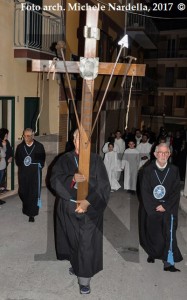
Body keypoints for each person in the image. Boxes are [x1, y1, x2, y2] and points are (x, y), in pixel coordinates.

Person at [50, 129, 110, 294]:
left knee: (85, 243)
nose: (82, 144)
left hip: (90, 209)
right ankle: (75, 264)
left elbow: (104, 186)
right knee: (72, 240)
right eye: (78, 140)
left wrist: (87, 202)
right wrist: (72, 180)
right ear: (74, 140)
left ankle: (84, 279)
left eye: (86, 141)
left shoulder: (96, 160)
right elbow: (54, 180)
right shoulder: (64, 159)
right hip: (68, 207)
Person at [138, 143, 183, 272]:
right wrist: (155, 206)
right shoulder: (147, 170)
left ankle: (168, 262)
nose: (163, 155)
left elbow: (175, 191)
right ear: (155, 154)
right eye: (160, 152)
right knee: (153, 234)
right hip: (151, 208)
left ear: (169, 154)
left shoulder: (174, 170)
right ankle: (152, 253)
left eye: (166, 153)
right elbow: (144, 191)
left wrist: (166, 206)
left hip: (168, 208)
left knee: (169, 234)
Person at [15, 128, 46, 222]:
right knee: (23, 192)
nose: (26, 138)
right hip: (23, 174)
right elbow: (17, 159)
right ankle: (26, 206)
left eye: (28, 136)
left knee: (33, 194)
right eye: (25, 136)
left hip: (34, 175)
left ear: (33, 136)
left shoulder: (39, 146)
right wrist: (23, 165)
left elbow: (41, 160)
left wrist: (38, 165)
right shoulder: (20, 147)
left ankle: (31, 214)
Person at [0, 128, 13, 194]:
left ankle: (2, 188)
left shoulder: (7, 142)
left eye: (7, 135)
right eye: (6, 135)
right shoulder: (0, 142)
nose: (7, 136)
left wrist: (11, 157)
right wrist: (4, 146)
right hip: (1, 163)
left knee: (3, 175)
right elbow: (3, 153)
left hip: (5, 163)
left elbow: (10, 150)